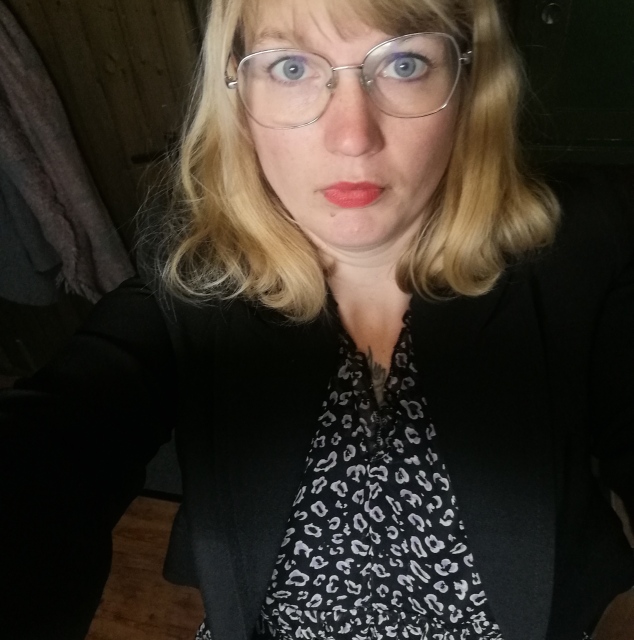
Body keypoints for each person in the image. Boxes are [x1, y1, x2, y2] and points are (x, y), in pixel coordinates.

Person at [1, 0, 633, 638]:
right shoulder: (194, 279)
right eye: (292, 68)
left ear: (469, 80)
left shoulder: (583, 248)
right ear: (237, 92)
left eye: (405, 63)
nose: (353, 137)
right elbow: (59, 439)